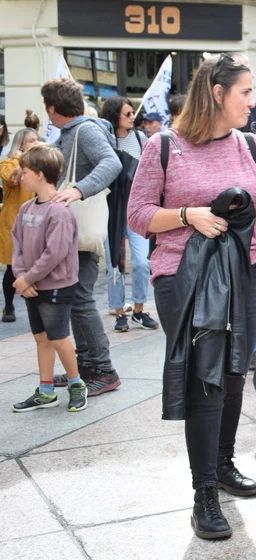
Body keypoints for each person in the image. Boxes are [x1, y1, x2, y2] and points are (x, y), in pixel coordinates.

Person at [127, 53, 256, 540]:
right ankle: (203, 495)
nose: (252, 102)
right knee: (206, 382)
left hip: (245, 275)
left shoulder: (251, 144)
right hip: (185, 278)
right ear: (217, 94)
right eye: (245, 92)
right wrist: (188, 215)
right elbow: (138, 214)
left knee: (235, 372)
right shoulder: (164, 146)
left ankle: (222, 464)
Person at [41, 77, 122, 397]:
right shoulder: (74, 131)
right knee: (76, 300)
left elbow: (111, 163)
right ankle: (86, 366)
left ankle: (104, 369)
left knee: (81, 300)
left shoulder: (85, 130)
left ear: (52, 108)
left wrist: (78, 190)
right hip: (72, 231)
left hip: (81, 230)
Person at [9, 145, 87, 413]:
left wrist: (28, 278)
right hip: (31, 285)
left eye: (25, 172)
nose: (21, 177)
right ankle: (46, 391)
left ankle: (76, 385)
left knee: (57, 338)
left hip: (56, 286)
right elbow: (17, 242)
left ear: (39, 174)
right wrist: (22, 277)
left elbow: (55, 252)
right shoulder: (26, 208)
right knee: (41, 339)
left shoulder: (59, 212)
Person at [100, 96, 156, 333]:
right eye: (127, 114)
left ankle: (139, 310)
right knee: (114, 263)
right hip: (110, 208)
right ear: (115, 116)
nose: (133, 117)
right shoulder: (104, 139)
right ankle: (119, 312)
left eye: (133, 113)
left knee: (142, 262)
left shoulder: (140, 138)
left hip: (135, 208)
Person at [0, 128, 40, 323]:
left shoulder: (37, 165)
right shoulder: (8, 163)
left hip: (34, 221)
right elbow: (10, 179)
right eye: (31, 140)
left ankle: (35, 304)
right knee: (12, 266)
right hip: (13, 221)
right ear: (21, 143)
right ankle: (8, 306)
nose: (36, 143)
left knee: (33, 264)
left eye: (37, 140)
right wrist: (22, 159)